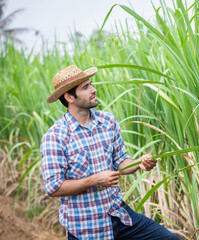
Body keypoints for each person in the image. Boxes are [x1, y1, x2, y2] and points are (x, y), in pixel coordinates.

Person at [41, 65, 179, 240]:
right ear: (69, 97)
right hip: (86, 227)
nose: (94, 89)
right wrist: (96, 180)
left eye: (91, 84)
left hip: (119, 215)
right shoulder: (55, 137)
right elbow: (53, 187)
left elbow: (121, 161)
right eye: (86, 87)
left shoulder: (107, 121)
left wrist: (139, 163)